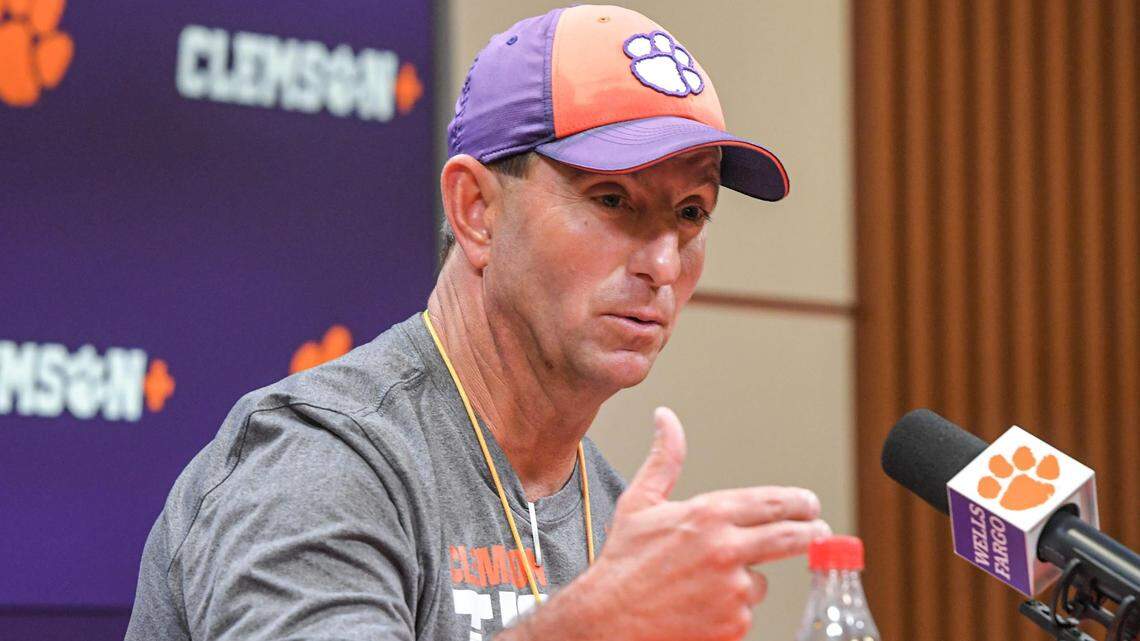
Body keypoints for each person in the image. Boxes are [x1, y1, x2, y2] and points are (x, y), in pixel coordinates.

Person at [125, 5, 830, 640]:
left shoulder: (618, 520)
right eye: (613, 199)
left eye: (690, 213)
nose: (662, 262)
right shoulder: (321, 460)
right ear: (476, 211)